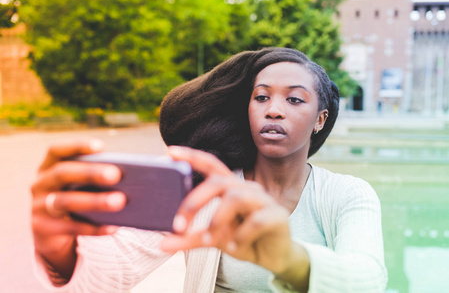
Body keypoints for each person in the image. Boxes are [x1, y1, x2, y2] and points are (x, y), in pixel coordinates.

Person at [31, 47, 387, 292]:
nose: (274, 110)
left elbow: (368, 279)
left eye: (294, 99)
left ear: (320, 120)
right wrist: (59, 252)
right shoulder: (209, 190)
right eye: (261, 97)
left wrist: (288, 258)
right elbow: (113, 269)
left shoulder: (347, 194)